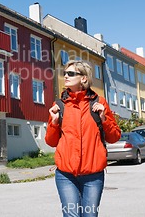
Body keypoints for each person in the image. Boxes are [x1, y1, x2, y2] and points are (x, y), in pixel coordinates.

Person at [45, 60, 121, 217]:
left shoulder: (99, 103)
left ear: (84, 78)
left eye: (71, 73)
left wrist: (104, 118)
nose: (65, 76)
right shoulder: (60, 105)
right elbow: (51, 142)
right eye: (65, 73)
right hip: (66, 175)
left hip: (93, 176)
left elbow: (114, 137)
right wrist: (54, 122)